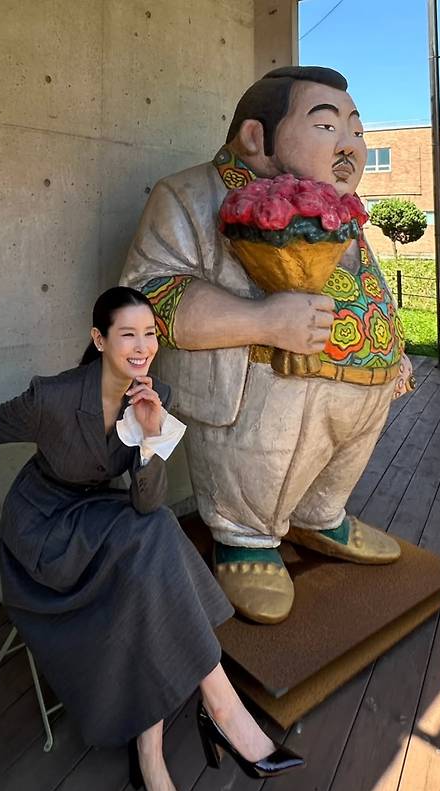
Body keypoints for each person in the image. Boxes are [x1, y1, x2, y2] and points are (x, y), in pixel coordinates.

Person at [0, 286, 304, 791]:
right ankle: (220, 709)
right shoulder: (51, 397)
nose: (142, 346)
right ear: (99, 340)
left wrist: (148, 438)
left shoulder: (156, 396)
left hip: (99, 516)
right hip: (42, 531)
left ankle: (156, 747)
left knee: (154, 536)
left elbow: (146, 502)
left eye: (150, 334)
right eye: (128, 334)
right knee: (152, 545)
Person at [121, 66, 414, 625]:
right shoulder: (189, 194)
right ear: (257, 137)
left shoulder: (341, 208)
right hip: (252, 392)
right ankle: (245, 538)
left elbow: (368, 284)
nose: (351, 145)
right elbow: (148, 294)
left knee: (341, 457)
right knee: (264, 460)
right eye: (327, 126)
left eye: (356, 129)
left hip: (360, 378)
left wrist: (392, 346)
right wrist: (259, 319)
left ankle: (321, 515)